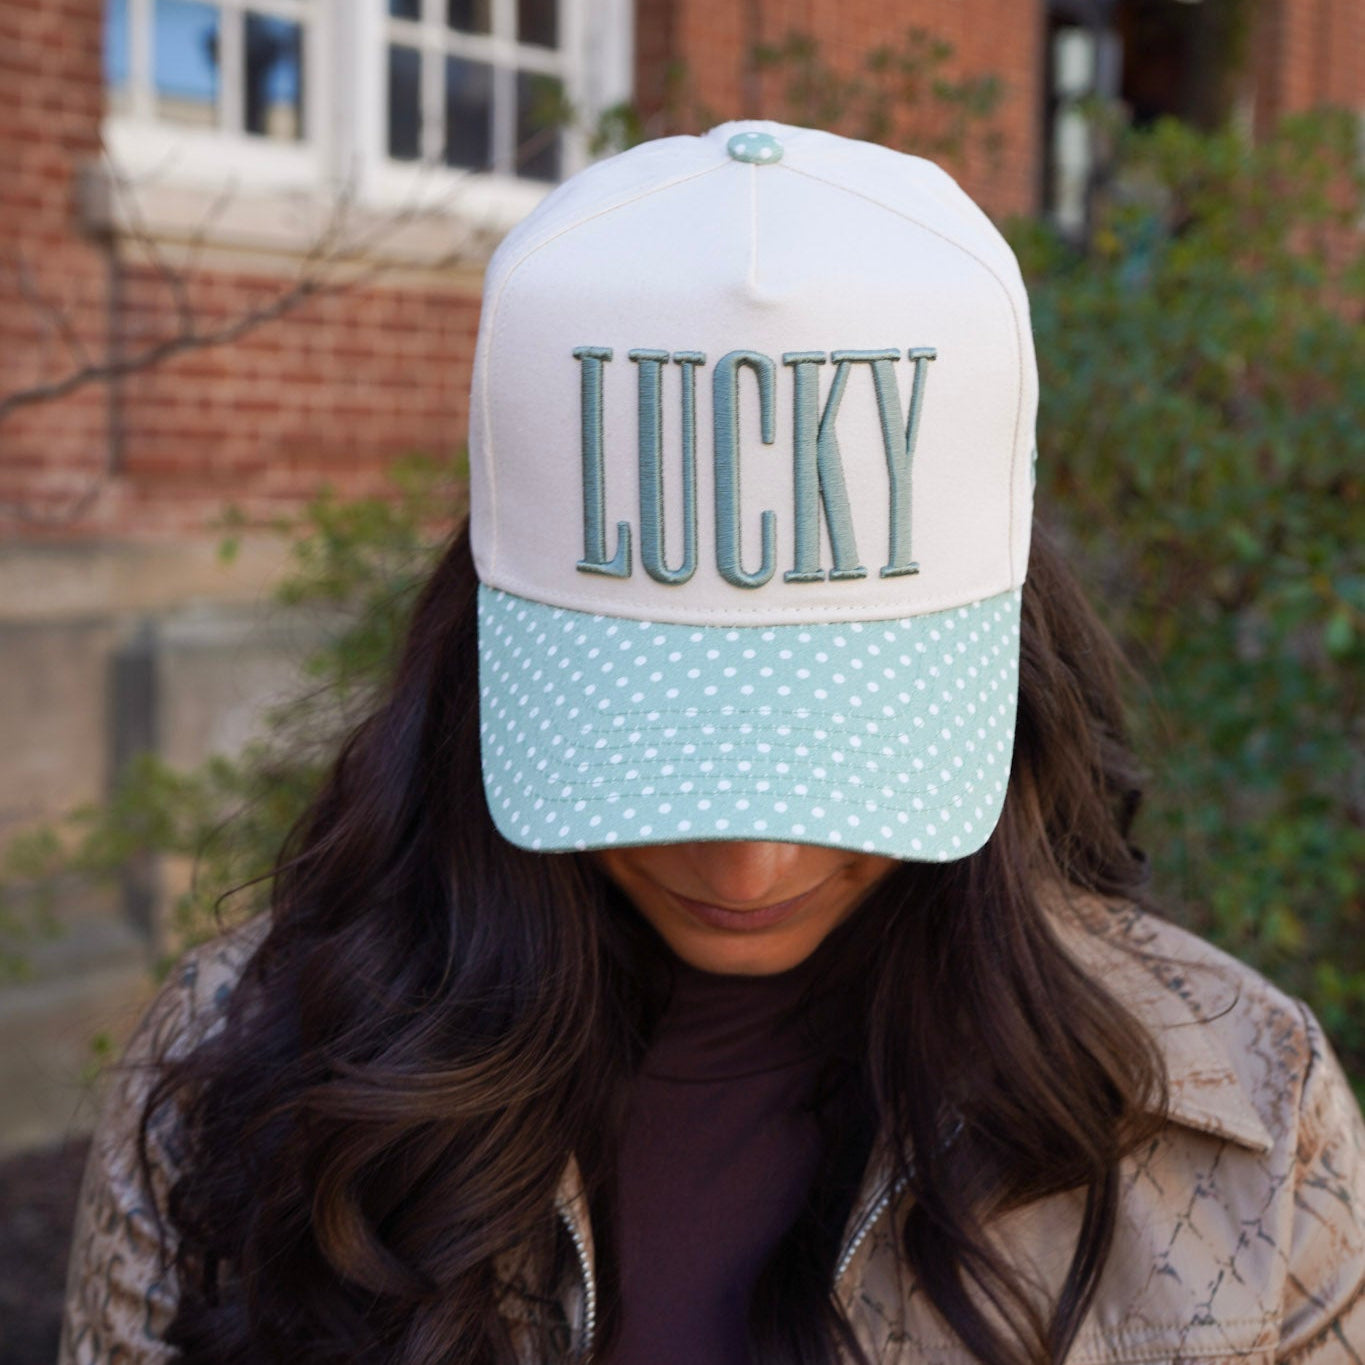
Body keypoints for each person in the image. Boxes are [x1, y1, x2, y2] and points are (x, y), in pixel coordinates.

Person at [59, 121, 1365, 1365]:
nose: (749, 864)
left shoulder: (1248, 1121)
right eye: (648, 752)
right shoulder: (232, 1074)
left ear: (1007, 661)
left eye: (847, 752)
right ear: (487, 652)